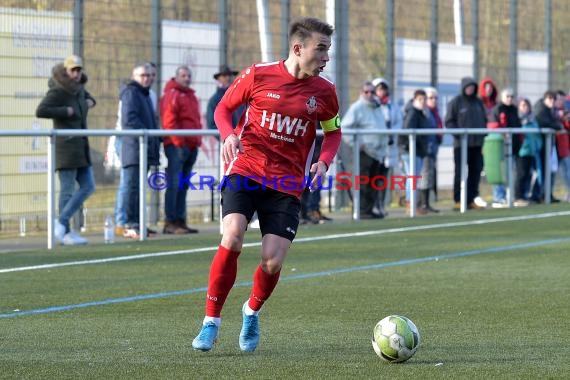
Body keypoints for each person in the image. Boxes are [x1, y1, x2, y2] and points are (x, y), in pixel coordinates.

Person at [191, 17, 342, 353]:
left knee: (272, 261)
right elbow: (223, 109)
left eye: (328, 50)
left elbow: (333, 133)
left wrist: (323, 160)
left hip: (287, 183)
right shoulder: (259, 74)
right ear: (298, 48)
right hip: (246, 169)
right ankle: (210, 321)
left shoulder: (325, 92)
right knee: (231, 236)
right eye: (321, 49)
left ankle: (251, 311)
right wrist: (229, 134)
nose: (326, 58)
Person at [36, 54, 96, 245]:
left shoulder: (79, 89)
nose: (77, 74)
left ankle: (61, 223)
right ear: (66, 71)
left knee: (89, 186)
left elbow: (89, 98)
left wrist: (90, 102)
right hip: (66, 147)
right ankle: (65, 232)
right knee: (67, 190)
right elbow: (41, 110)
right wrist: (64, 111)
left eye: (79, 70)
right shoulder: (58, 91)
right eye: (73, 70)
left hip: (81, 146)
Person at [114, 62, 158, 235]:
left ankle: (138, 223)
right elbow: (129, 121)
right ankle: (129, 224)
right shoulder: (131, 92)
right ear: (134, 77)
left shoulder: (145, 94)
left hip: (143, 147)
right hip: (133, 147)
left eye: (150, 75)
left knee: (139, 188)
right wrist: (147, 134)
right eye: (143, 75)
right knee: (131, 187)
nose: (147, 78)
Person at [160, 65, 201, 234]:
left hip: (190, 145)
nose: (187, 78)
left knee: (183, 185)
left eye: (188, 75)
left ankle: (180, 220)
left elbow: (195, 120)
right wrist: (179, 143)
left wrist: (195, 141)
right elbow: (169, 122)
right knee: (174, 184)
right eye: (183, 75)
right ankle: (170, 222)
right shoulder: (172, 95)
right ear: (176, 77)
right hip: (177, 146)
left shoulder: (191, 96)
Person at [342, 81, 389, 219]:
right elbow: (344, 128)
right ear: (361, 93)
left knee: (374, 183)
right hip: (364, 152)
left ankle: (368, 210)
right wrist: (357, 143)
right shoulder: (357, 108)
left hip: (377, 153)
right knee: (363, 182)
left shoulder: (377, 107)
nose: (369, 94)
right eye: (366, 92)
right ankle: (361, 211)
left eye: (372, 92)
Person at [444, 77, 487, 210]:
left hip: (477, 144)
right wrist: (460, 135)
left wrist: (483, 134)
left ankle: (471, 198)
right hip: (461, 145)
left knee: (476, 171)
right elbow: (449, 122)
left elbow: (484, 121)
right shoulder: (456, 102)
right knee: (460, 172)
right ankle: (458, 200)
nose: (470, 89)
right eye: (468, 86)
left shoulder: (478, 103)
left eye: (473, 86)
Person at [372, 77, 404, 207]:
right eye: (379, 89)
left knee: (383, 177)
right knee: (373, 177)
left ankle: (380, 204)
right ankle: (372, 205)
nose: (381, 92)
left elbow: (399, 122)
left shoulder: (392, 105)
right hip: (374, 147)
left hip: (388, 147)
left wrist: (390, 132)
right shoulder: (371, 105)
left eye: (383, 89)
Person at [488, 87, 521, 208]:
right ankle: (498, 197)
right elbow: (493, 125)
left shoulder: (514, 110)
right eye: (507, 96)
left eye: (511, 96)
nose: (509, 99)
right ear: (502, 97)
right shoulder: (497, 109)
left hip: (513, 146)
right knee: (500, 172)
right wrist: (503, 133)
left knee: (510, 172)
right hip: (500, 147)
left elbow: (518, 126)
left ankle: (508, 196)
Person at [400, 89, 431, 215]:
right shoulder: (413, 112)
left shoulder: (422, 113)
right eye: (420, 99)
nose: (423, 102)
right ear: (414, 100)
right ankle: (410, 203)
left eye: (424, 99)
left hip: (417, 150)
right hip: (410, 150)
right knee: (412, 178)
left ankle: (412, 203)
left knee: (413, 178)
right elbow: (408, 130)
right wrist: (415, 143)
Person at [531, 90, 562, 203]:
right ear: (545, 99)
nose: (552, 101)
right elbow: (545, 123)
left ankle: (546, 194)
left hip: (549, 144)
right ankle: (536, 195)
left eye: (553, 99)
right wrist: (557, 126)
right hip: (541, 145)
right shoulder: (540, 108)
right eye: (550, 99)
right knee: (541, 170)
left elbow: (555, 123)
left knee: (549, 170)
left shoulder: (550, 110)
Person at [515, 98, 541, 205]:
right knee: (521, 174)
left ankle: (525, 195)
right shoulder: (518, 119)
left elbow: (537, 135)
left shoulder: (533, 119)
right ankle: (518, 197)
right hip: (522, 151)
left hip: (532, 151)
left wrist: (538, 145)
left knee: (529, 174)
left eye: (526, 105)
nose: (525, 107)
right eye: (522, 105)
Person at [422, 86, 443, 212]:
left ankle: (426, 203)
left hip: (433, 147)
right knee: (424, 174)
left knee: (430, 174)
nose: (433, 100)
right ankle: (422, 203)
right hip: (425, 148)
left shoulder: (435, 112)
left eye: (435, 98)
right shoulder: (425, 112)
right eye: (430, 98)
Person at [206, 65, 243, 135]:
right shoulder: (214, 100)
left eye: (230, 75)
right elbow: (211, 125)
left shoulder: (241, 97)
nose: (228, 78)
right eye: (224, 75)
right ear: (218, 79)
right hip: (227, 141)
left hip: (243, 140)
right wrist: (226, 137)